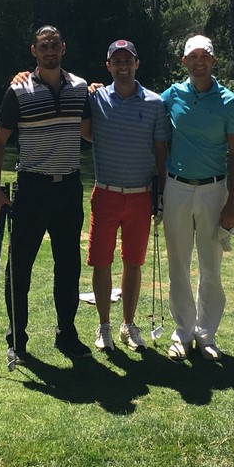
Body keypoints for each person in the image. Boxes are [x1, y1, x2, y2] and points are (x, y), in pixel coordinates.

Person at [0, 25, 92, 364]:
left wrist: (100, 93)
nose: (50, 51)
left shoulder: (80, 88)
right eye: (43, 46)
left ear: (63, 48)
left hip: (69, 188)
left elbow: (89, 132)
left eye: (55, 45)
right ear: (34, 51)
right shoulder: (18, 90)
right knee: (20, 267)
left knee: (69, 266)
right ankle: (17, 339)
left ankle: (67, 333)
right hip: (32, 189)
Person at [161, 35, 234, 361]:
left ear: (213, 61)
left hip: (213, 190)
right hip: (176, 188)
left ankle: (206, 334)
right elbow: (139, 103)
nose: (199, 62)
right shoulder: (172, 95)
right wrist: (97, 89)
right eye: (193, 56)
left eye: (204, 56)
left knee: (211, 266)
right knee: (178, 264)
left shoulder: (229, 101)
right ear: (184, 61)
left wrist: (232, 202)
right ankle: (183, 333)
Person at [83, 39, 170, 353]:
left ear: (137, 64)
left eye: (127, 61)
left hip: (140, 196)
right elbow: (86, 131)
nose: (123, 66)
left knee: (133, 262)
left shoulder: (154, 103)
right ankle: (104, 326)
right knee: (101, 261)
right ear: (108, 66)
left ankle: (128, 324)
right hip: (106, 193)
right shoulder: (95, 98)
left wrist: (161, 196)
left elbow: (160, 152)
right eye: (117, 61)